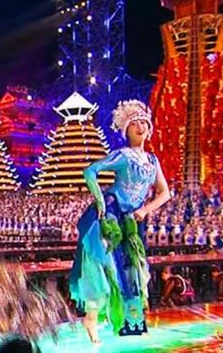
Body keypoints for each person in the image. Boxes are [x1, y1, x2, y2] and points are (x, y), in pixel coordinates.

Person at [69, 100, 171, 344]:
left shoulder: (153, 161)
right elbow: (90, 171)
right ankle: (91, 317)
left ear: (150, 128)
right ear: (126, 130)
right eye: (134, 123)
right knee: (104, 265)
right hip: (112, 216)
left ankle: (130, 323)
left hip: (133, 220)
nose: (140, 126)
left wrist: (145, 209)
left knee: (132, 270)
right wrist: (100, 201)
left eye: (143, 122)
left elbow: (165, 192)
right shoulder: (123, 156)